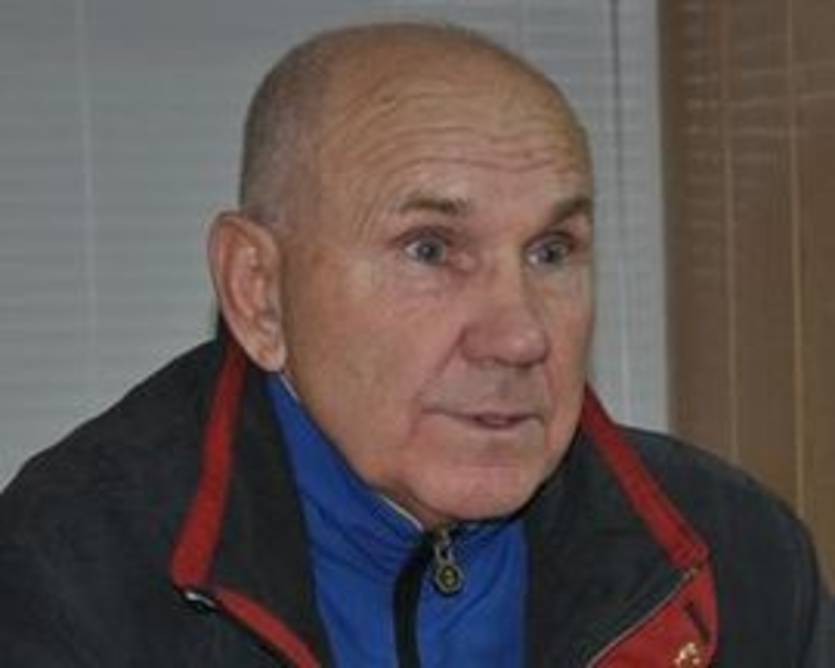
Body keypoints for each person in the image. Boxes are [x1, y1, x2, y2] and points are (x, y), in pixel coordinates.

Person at [0, 21, 831, 667]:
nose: (519, 336)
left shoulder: (737, 558)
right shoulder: (67, 576)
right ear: (259, 292)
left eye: (551, 252)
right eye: (430, 249)